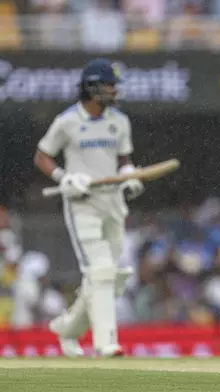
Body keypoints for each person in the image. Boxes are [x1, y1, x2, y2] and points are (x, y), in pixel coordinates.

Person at [34, 58, 143, 357]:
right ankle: (106, 342)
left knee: (111, 276)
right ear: (92, 87)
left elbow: (124, 160)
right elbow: (42, 156)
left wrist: (129, 178)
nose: (114, 90)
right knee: (101, 271)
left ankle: (68, 328)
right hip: (82, 204)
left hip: (113, 203)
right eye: (109, 85)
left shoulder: (119, 121)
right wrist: (63, 177)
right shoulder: (67, 121)